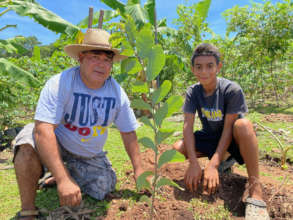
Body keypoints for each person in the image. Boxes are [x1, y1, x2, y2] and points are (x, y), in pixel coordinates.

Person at [13, 28, 145, 219]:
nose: (101, 64)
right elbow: (43, 130)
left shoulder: (116, 93)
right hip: (55, 142)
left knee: (103, 187)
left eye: (107, 60)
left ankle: (61, 173)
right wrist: (63, 179)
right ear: (81, 58)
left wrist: (139, 169)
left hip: (86, 154)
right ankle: (28, 210)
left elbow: (128, 132)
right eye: (94, 57)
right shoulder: (60, 83)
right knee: (26, 145)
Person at [173, 43, 270, 220]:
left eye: (210, 66)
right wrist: (194, 163)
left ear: (219, 67)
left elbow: (228, 129)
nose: (204, 71)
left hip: (232, 139)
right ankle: (221, 163)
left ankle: (255, 188)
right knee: (178, 147)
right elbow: (187, 126)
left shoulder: (231, 90)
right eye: (199, 67)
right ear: (193, 69)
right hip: (210, 137)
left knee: (244, 125)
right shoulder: (193, 92)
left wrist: (213, 165)